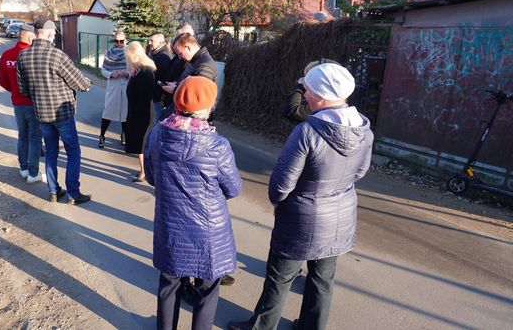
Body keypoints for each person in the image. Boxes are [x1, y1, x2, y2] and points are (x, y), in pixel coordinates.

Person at [228, 64, 373, 330]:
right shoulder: (364, 129)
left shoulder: (307, 132)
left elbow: (281, 185)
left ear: (322, 94)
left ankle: (261, 327)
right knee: (323, 279)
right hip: (340, 216)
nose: (304, 94)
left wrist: (279, 203)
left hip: (300, 219)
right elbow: (360, 172)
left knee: (280, 278)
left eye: (307, 89)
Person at [144, 76, 242, 330]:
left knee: (169, 284)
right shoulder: (217, 145)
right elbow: (233, 188)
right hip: (208, 231)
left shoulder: (157, 134)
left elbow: (152, 177)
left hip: (171, 225)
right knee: (207, 290)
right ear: (208, 107)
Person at [17, 19, 93, 204]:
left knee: (51, 152)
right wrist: (88, 84)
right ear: (50, 34)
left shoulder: (23, 56)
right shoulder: (57, 55)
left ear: (36, 33)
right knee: (73, 151)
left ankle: (53, 191)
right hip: (63, 114)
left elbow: (23, 89)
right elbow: (80, 83)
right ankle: (73, 194)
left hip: (42, 114)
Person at [0, 24, 43, 183]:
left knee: (22, 136)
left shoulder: (6, 55)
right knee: (35, 138)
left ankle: (23, 168)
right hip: (34, 104)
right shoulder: (34, 55)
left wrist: (16, 91)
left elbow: (3, 82)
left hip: (18, 104)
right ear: (30, 37)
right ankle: (33, 173)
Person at [159, 33, 218, 121]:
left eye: (180, 53)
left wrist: (175, 90)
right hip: (188, 116)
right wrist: (176, 84)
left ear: (188, 47)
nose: (179, 57)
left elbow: (198, 96)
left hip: (195, 119)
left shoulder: (205, 65)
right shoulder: (195, 60)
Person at [124, 41, 156, 182]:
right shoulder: (139, 70)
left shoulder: (146, 72)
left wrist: (135, 114)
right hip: (137, 111)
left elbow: (145, 97)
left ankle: (144, 172)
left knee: (142, 142)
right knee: (140, 142)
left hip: (142, 113)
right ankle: (144, 170)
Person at [99, 30, 129, 148]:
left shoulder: (129, 53)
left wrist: (126, 73)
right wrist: (111, 74)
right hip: (113, 85)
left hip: (126, 84)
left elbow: (133, 69)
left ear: (125, 41)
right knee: (108, 111)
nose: (119, 43)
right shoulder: (109, 53)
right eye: (116, 41)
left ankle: (124, 135)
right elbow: (103, 70)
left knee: (125, 112)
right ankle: (102, 135)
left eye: (121, 41)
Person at [148, 32, 171, 121]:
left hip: (157, 96)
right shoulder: (155, 53)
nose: (149, 43)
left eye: (152, 41)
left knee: (156, 122)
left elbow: (156, 76)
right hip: (155, 95)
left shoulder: (163, 56)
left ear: (160, 42)